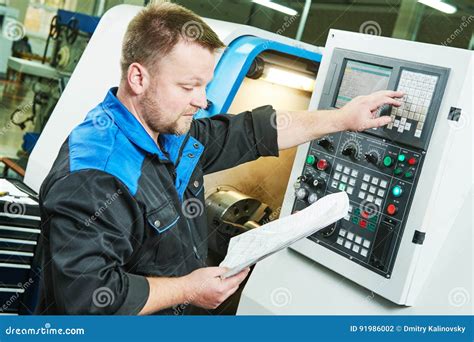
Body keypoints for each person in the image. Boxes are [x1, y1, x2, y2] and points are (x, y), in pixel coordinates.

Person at [35, 2, 402, 315]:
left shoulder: (171, 134)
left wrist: (341, 119)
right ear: (138, 77)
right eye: (188, 86)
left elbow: (252, 132)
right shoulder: (97, 173)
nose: (202, 100)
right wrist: (189, 289)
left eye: (206, 85)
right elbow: (88, 299)